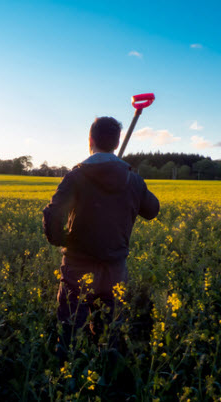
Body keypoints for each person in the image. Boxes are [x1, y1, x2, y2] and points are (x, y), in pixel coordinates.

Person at [42, 116, 160, 357]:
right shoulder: (133, 179)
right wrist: (134, 188)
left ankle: (69, 373)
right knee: (110, 330)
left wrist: (62, 240)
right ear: (116, 143)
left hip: (78, 264)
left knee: (71, 328)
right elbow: (152, 210)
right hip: (115, 267)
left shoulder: (76, 176)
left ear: (90, 140)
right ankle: (108, 369)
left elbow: (53, 213)